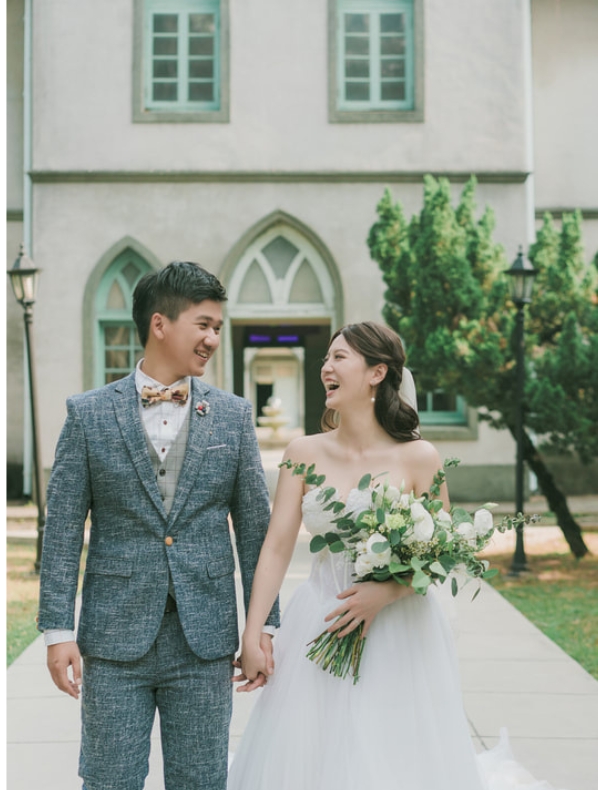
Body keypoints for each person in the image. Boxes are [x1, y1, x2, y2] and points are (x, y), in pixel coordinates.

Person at [229, 321, 557, 790]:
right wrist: (255, 630)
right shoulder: (302, 452)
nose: (326, 367)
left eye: (339, 357)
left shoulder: (420, 458)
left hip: (399, 632)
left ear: (377, 373)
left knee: (392, 756)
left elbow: (442, 556)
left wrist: (385, 592)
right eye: (325, 359)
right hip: (318, 621)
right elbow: (277, 545)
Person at [38, 261, 279, 790]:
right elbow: (61, 534)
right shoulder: (88, 414)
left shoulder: (235, 417)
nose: (214, 338)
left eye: (219, 327)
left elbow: (259, 534)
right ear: (160, 324)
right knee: (109, 779)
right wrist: (59, 631)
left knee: (200, 780)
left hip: (206, 641)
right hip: (113, 640)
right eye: (204, 324)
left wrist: (262, 628)